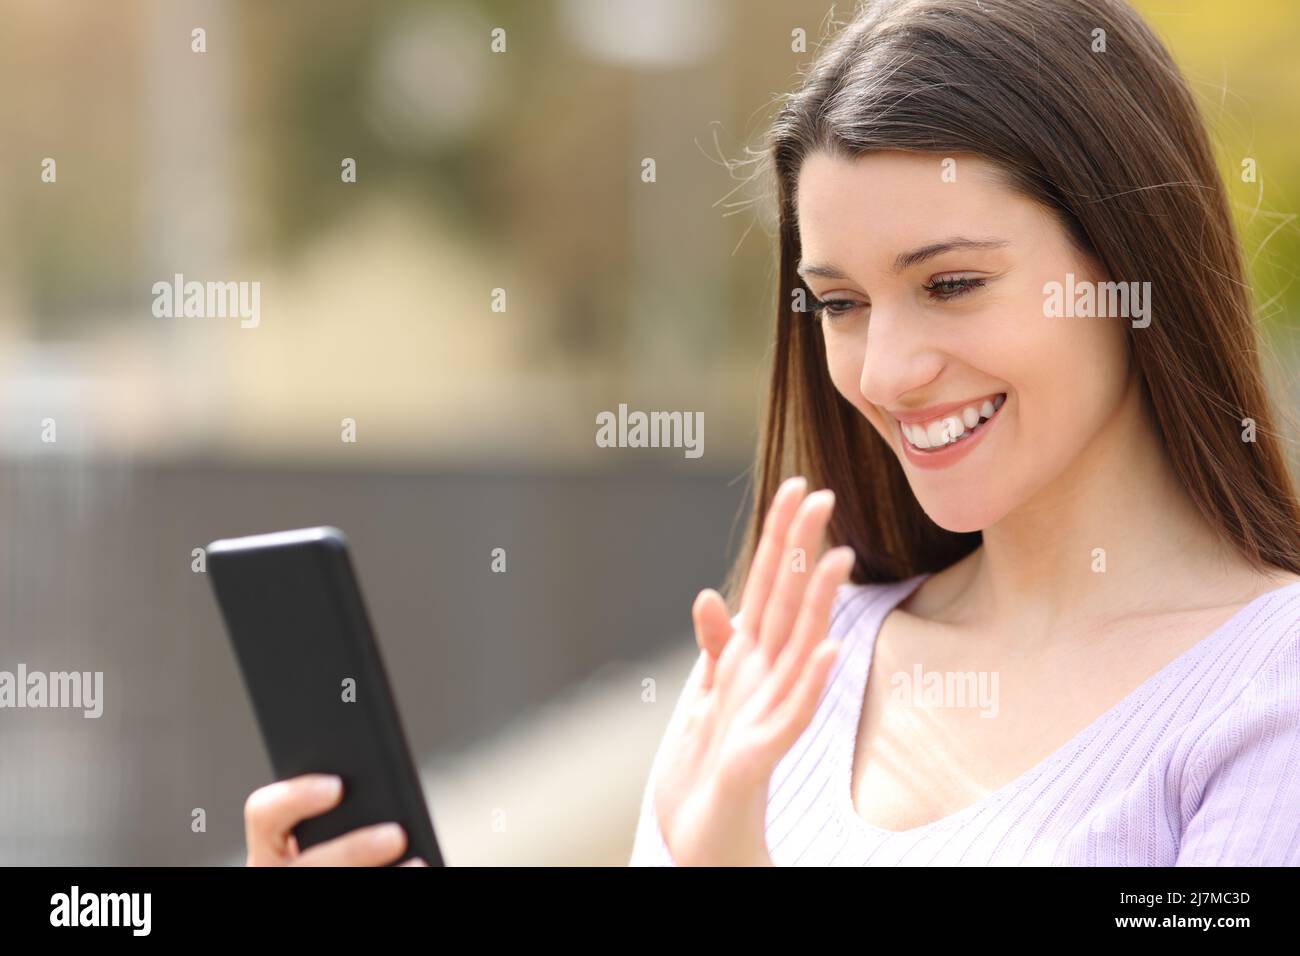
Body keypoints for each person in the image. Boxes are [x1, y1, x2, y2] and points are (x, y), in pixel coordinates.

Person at [629, 0, 1300, 865]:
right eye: (841, 304)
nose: (885, 373)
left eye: (951, 284)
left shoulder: (1268, 693)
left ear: (1130, 265)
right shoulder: (784, 668)